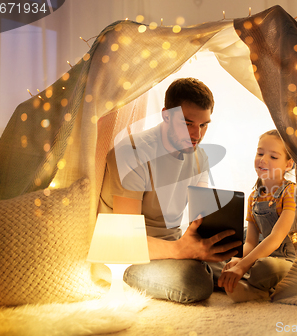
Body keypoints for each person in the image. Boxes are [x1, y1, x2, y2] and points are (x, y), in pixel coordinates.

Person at [99, 77, 240, 303]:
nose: (197, 135)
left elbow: (198, 220)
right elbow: (126, 239)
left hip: (175, 248)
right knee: (195, 282)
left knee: (241, 261)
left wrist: (213, 243)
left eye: (203, 125)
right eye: (187, 123)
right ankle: (205, 271)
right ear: (166, 115)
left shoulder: (200, 157)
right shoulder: (132, 152)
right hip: (128, 256)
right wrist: (182, 251)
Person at [218, 129, 297, 302]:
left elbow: (276, 238)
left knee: (264, 266)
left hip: (287, 261)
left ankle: (254, 286)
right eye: (260, 153)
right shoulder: (254, 196)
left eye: (273, 157)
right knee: (227, 259)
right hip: (261, 254)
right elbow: (251, 242)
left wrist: (244, 265)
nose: (263, 159)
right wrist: (238, 259)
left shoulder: (291, 192)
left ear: (288, 164)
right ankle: (252, 287)